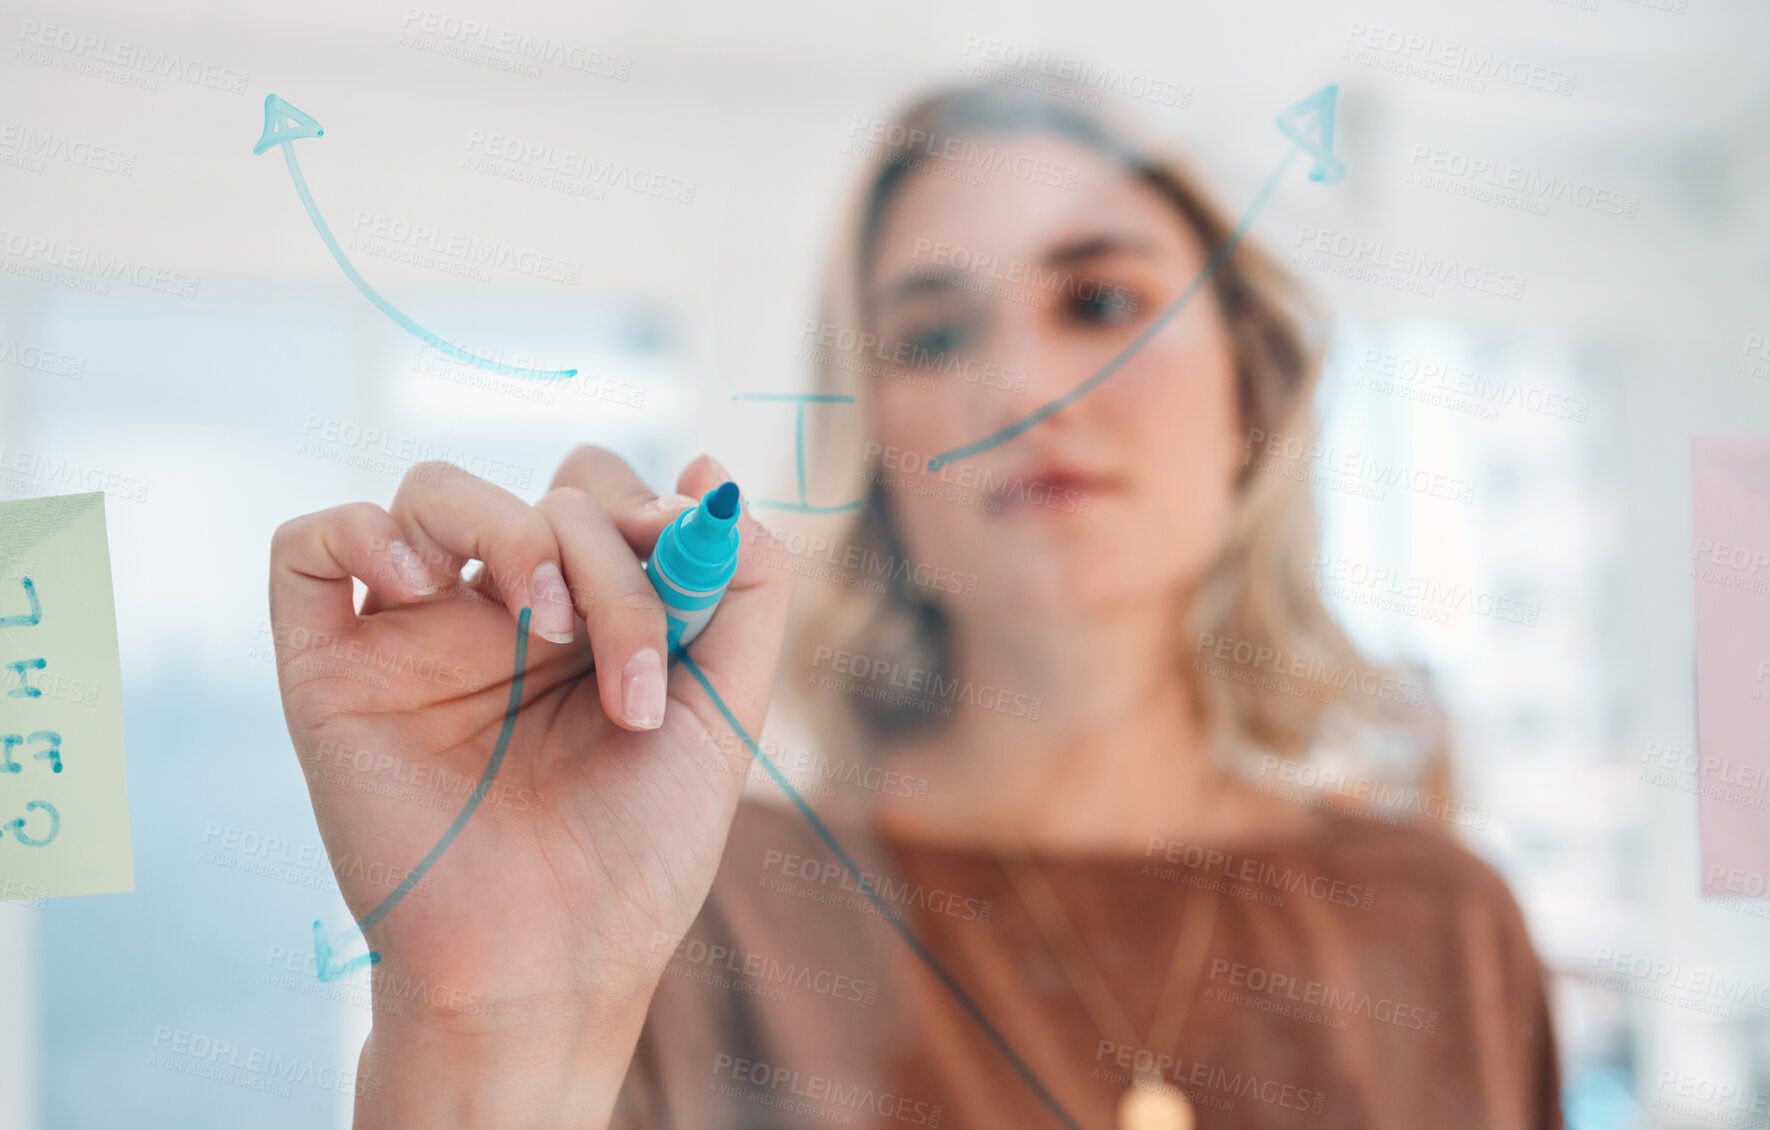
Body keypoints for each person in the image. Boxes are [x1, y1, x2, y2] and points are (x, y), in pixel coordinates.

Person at [269, 80, 1561, 1130]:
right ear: (881, 466)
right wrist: (481, 1019)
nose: (1021, 386)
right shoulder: (683, 913)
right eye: (934, 336)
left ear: (1249, 389)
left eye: (1098, 301)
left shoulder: (1443, 925)